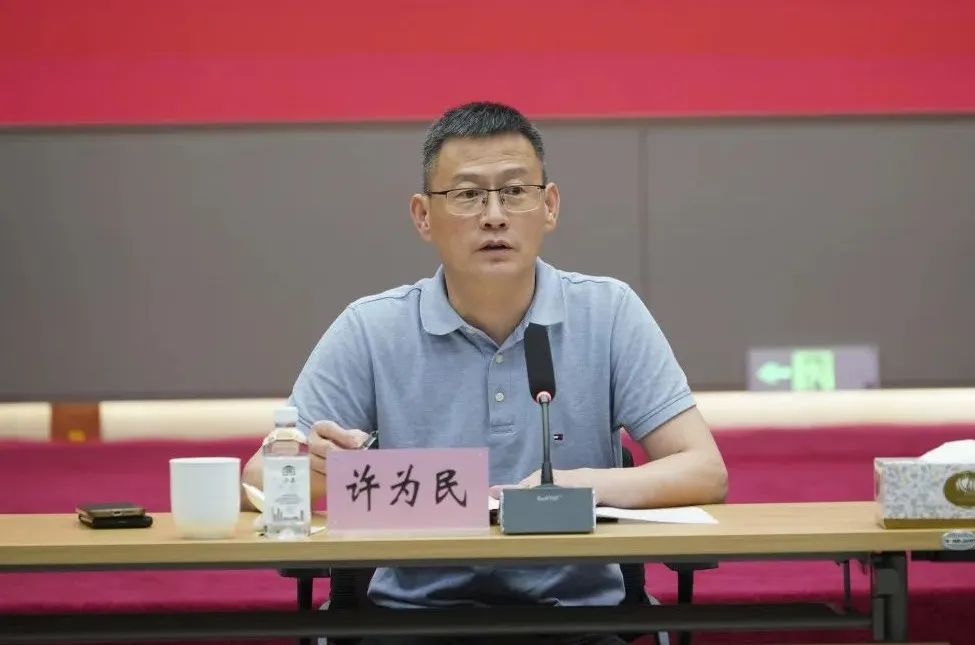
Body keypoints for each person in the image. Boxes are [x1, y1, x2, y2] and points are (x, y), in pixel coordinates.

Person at [242, 101, 728, 644]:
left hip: (578, 622)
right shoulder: (371, 328)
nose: (494, 215)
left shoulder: (609, 313)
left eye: (515, 192)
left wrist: (583, 485)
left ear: (549, 206)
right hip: (411, 624)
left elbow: (704, 469)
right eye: (467, 195)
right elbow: (256, 479)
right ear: (423, 216)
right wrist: (316, 469)